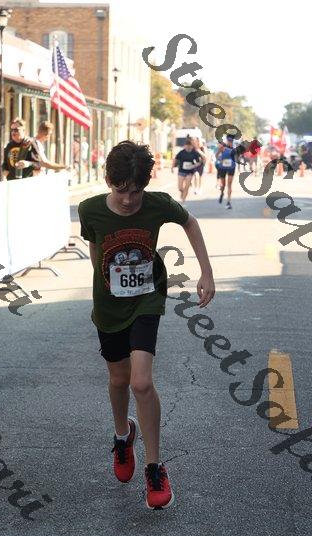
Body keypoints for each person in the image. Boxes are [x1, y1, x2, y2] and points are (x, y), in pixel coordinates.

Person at [78, 140, 215, 510]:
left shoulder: (158, 204)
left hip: (146, 299)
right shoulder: (90, 210)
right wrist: (105, 283)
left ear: (145, 185)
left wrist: (206, 272)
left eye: (136, 191)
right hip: (109, 305)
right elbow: (95, 248)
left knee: (140, 382)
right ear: (108, 181)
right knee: (118, 379)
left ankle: (155, 468)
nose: (128, 199)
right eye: (121, 190)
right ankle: (123, 436)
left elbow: (190, 223)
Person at [173, 137, 202, 202]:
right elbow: (175, 159)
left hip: (190, 172)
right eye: (187, 146)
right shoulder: (181, 152)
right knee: (180, 187)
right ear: (185, 146)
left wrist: (194, 165)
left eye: (190, 146)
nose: (188, 147)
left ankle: (183, 200)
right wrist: (172, 167)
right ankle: (182, 192)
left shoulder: (194, 153)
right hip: (181, 171)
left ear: (192, 146)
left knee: (187, 186)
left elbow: (199, 161)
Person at [215, 135, 236, 209]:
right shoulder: (222, 147)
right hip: (223, 168)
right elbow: (216, 156)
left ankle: (228, 201)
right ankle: (222, 193)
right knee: (223, 185)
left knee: (229, 184)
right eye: (229, 141)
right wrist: (219, 155)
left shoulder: (234, 149)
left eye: (231, 141)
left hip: (231, 168)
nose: (230, 142)